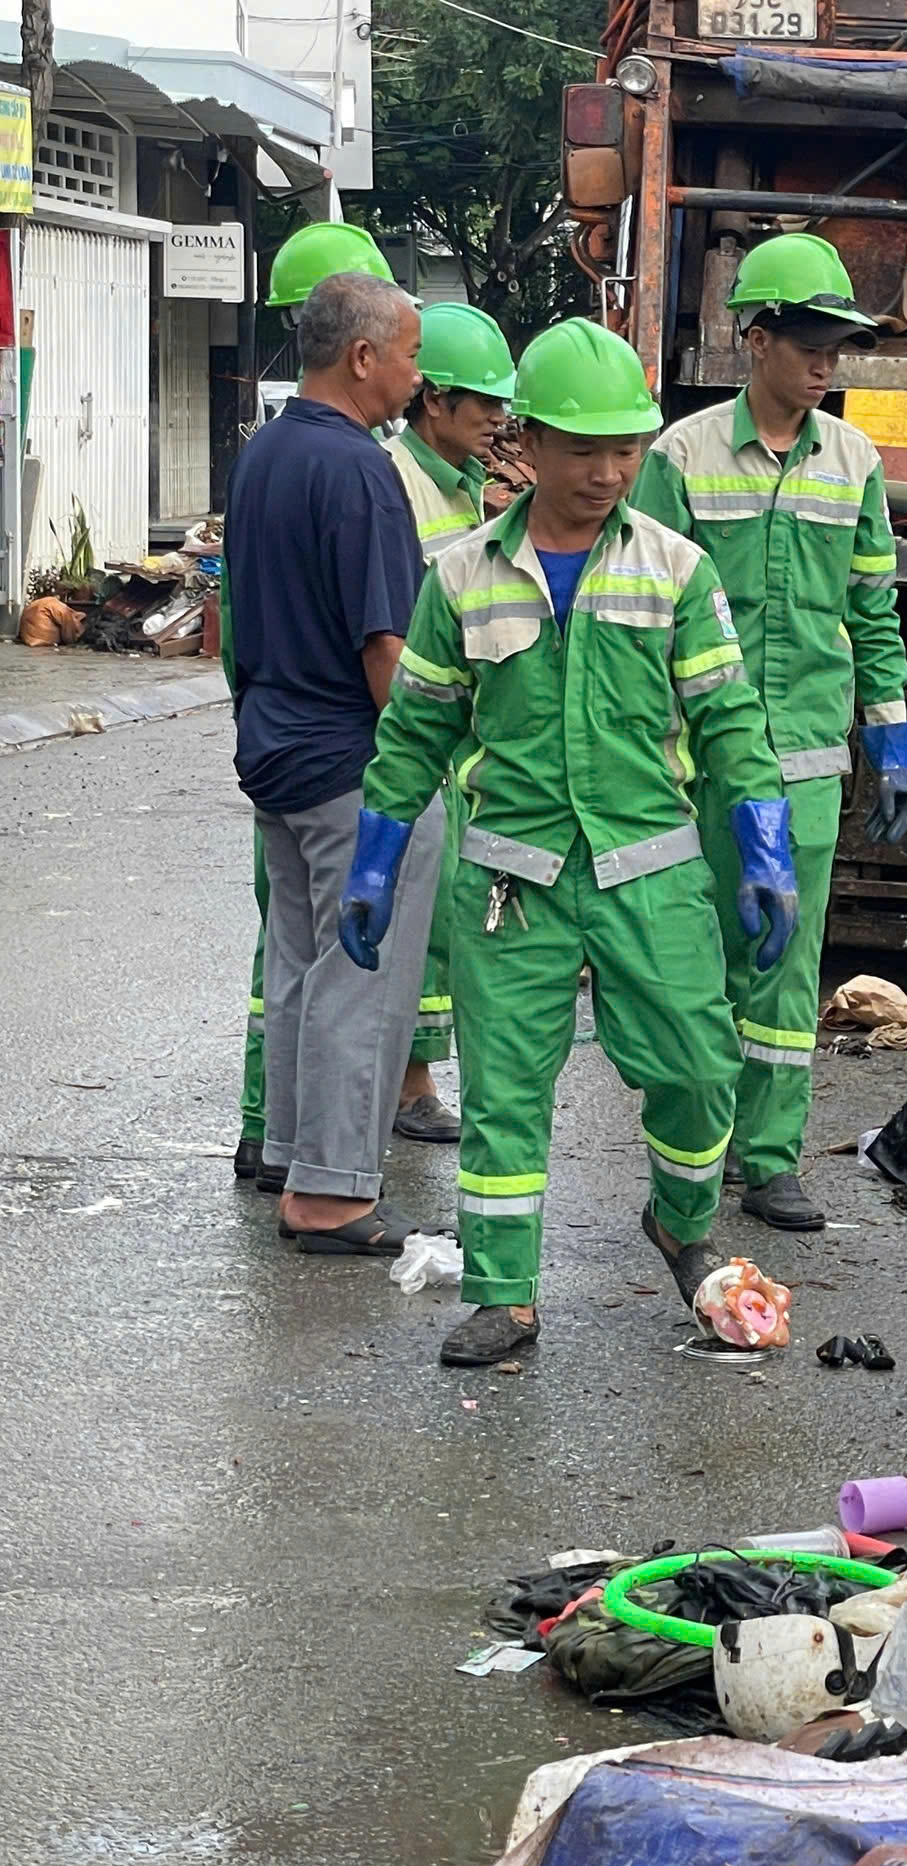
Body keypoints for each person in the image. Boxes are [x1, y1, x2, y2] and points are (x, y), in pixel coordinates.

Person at [343, 318, 796, 1368]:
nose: (607, 472)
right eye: (584, 449)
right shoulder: (460, 576)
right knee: (503, 1091)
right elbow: (414, 731)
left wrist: (763, 844)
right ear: (526, 446)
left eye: (626, 449)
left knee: (696, 1066)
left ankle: (680, 1226)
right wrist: (373, 859)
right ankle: (507, 1296)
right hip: (514, 881)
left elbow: (730, 721)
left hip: (651, 871)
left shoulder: (677, 570)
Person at [629, 234, 907, 1232]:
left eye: (838, 342)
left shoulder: (856, 461)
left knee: (787, 963)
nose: (826, 360)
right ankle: (689, 1157)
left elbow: (872, 610)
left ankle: (771, 1158)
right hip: (703, 759)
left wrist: (893, 731)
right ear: (755, 340)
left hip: (806, 764)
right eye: (807, 339)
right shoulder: (681, 457)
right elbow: (640, 612)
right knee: (698, 961)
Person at [228, 269, 447, 1253]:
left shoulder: (265, 452)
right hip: (354, 767)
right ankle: (330, 1195)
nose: (417, 376)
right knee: (363, 977)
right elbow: (385, 651)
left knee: (302, 969)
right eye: (409, 355)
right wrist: (426, 771)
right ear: (363, 357)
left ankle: (288, 1151)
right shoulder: (363, 472)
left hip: (278, 753)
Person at [374, 301, 518, 1146]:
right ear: (435, 402)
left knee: (441, 922)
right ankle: (407, 1083)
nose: (499, 421)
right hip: (423, 736)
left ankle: (412, 1077)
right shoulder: (396, 485)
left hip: (461, 743)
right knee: (413, 922)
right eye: (484, 404)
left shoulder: (461, 488)